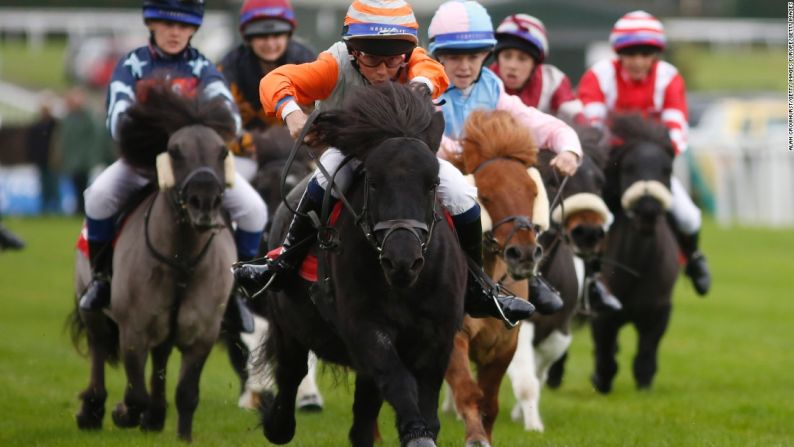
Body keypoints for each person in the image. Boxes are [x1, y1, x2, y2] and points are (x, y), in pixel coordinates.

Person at [233, 0, 535, 326]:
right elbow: (276, 80)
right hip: (350, 151)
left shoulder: (412, 61)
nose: (382, 71)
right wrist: (292, 112)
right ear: (352, 51)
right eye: (372, 59)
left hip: (407, 155)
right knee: (326, 179)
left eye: (392, 60)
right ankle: (284, 263)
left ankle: (477, 287)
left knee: (462, 194)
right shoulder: (333, 64)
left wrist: (419, 85)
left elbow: (432, 71)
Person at [79, 0, 268, 334]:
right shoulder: (132, 65)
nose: (175, 32)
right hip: (142, 164)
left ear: (194, 29)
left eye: (183, 26)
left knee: (254, 211)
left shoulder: (203, 68)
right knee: (97, 196)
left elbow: (230, 118)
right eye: (167, 24)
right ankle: (102, 279)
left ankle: (237, 292)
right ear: (152, 24)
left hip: (195, 166)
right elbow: (118, 119)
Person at [426, 0, 583, 313]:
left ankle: (529, 274)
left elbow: (534, 121)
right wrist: (455, 150)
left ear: (486, 55)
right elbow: (424, 131)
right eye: (454, 57)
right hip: (437, 173)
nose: (465, 66)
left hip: (477, 178)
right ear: (438, 55)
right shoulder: (426, 85)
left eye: (473, 57)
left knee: (531, 179)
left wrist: (568, 147)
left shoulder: (491, 87)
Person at [577, 10, 711, 297]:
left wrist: (651, 156)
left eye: (645, 53)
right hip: (612, 169)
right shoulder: (598, 77)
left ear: (656, 54)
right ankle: (590, 274)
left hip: (652, 168)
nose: (638, 61)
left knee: (689, 217)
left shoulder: (669, 78)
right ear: (618, 53)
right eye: (631, 53)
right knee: (596, 218)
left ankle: (694, 259)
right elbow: (594, 130)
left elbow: (677, 129)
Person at [218, 0, 316, 180]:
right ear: (248, 37)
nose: (270, 43)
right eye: (262, 36)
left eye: (277, 34)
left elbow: (323, 113)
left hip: (300, 152)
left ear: (289, 34)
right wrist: (252, 145)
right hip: (249, 155)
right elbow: (223, 125)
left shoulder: (308, 62)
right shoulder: (228, 69)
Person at [489, 13, 584, 124]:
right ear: (497, 58)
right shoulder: (483, 82)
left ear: (535, 64)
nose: (512, 65)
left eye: (522, 58)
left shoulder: (553, 81)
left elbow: (579, 122)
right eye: (507, 56)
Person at [53, 87, 114, 215]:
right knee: (77, 185)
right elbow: (64, 141)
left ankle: (83, 209)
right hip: (73, 161)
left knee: (85, 186)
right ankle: (80, 209)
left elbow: (95, 139)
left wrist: (93, 158)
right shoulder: (68, 119)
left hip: (85, 161)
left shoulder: (88, 118)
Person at [27, 94, 59, 213]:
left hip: (53, 161)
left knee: (54, 187)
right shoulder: (37, 125)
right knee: (44, 186)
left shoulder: (55, 124)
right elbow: (33, 144)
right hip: (41, 160)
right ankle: (45, 209)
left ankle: (56, 210)